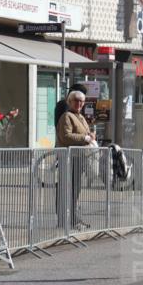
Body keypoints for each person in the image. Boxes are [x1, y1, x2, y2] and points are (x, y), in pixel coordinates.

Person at [56, 89, 97, 230]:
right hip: (70, 159)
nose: (79, 103)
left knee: (75, 190)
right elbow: (65, 136)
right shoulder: (67, 116)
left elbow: (83, 133)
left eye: (82, 101)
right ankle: (68, 220)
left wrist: (90, 135)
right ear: (70, 101)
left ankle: (74, 218)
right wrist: (85, 138)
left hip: (79, 158)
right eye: (76, 100)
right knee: (69, 190)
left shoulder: (80, 116)